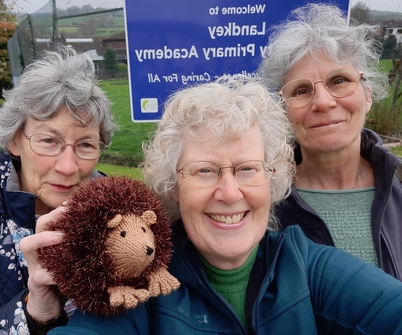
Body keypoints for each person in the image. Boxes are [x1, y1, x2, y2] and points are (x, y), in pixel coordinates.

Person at [47, 76, 402, 335]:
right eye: (204, 171)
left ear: (271, 177)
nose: (230, 192)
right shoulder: (141, 279)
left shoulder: (306, 265)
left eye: (248, 168)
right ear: (174, 187)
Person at [0, 46, 117, 334]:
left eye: (86, 145)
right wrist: (34, 311)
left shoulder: (116, 213)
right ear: (15, 141)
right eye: (48, 141)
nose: (68, 167)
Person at [257, 3, 402, 280]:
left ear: (367, 96)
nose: (323, 102)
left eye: (339, 81)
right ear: (283, 109)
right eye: (301, 90)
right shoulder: (262, 202)